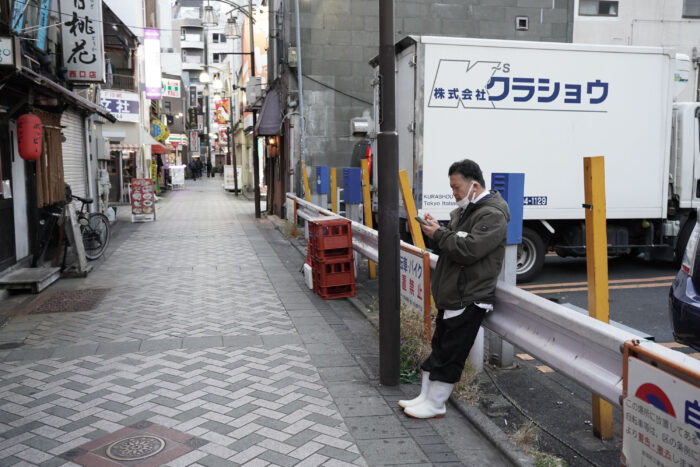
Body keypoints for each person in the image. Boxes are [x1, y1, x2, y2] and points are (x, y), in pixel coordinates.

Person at [400, 158, 510, 419]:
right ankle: (426, 398)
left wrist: (439, 234)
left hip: (468, 295)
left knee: (451, 353)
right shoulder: (467, 210)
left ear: (474, 185)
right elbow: (452, 243)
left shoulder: (492, 214)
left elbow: (469, 249)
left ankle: (436, 404)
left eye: (456, 187)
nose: (454, 193)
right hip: (454, 293)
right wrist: (437, 230)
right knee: (440, 347)